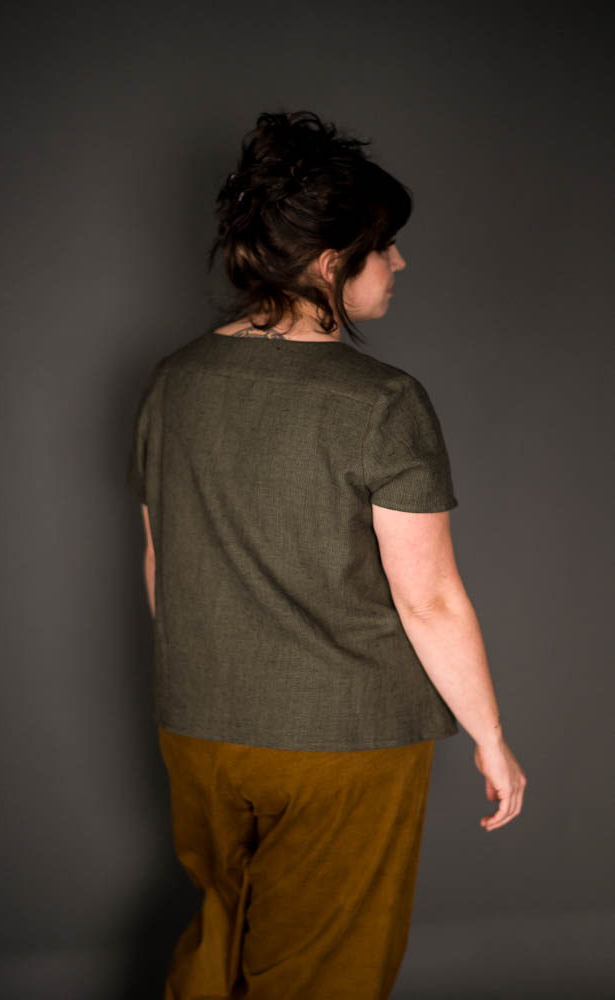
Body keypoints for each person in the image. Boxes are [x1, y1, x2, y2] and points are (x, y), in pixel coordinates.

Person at [127, 109, 527, 1000]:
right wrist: (490, 739)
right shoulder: (380, 401)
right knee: (323, 973)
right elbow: (428, 599)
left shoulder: (172, 382)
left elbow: (163, 563)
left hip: (198, 729)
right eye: (383, 247)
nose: (399, 264)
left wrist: (213, 681)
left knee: (217, 943)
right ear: (327, 263)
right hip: (345, 743)